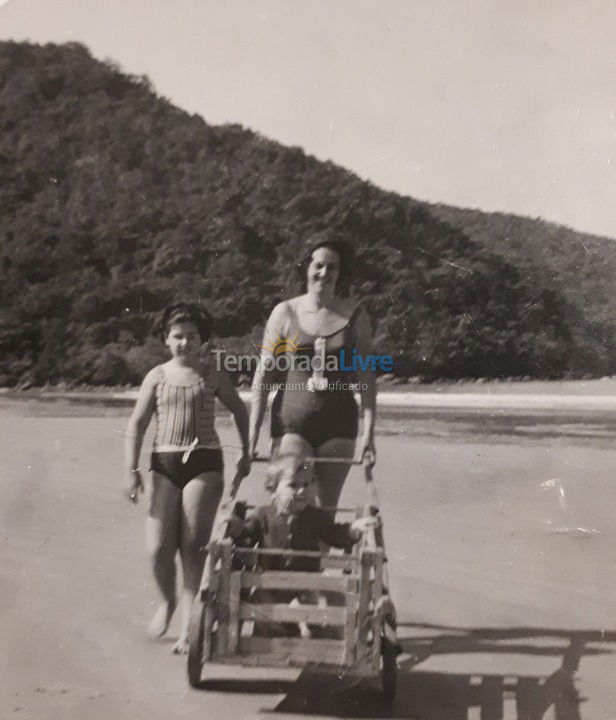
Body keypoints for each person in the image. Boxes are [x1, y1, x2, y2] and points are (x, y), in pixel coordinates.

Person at [124, 302, 251, 655]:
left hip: (205, 463)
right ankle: (168, 603)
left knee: (193, 548)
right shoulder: (157, 376)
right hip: (164, 465)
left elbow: (241, 411)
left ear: (202, 339)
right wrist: (131, 470)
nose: (184, 343)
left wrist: (246, 451)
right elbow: (137, 423)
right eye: (177, 336)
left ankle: (187, 631)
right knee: (157, 549)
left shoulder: (213, 375)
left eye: (191, 336)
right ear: (167, 339)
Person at [249, 237, 376, 514]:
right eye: (318, 265)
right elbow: (263, 379)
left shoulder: (356, 315)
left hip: (339, 427)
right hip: (291, 424)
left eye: (332, 267)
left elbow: (367, 380)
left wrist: (369, 434)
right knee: (286, 503)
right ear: (306, 268)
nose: (324, 273)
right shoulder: (285, 313)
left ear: (340, 272)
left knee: (324, 511)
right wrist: (251, 436)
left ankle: (314, 560)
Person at [226, 453, 378, 637]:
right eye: (293, 485)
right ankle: (281, 628)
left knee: (318, 604)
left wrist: (353, 530)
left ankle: (303, 626)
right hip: (271, 586)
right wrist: (237, 530)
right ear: (273, 489)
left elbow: (335, 534)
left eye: (308, 484)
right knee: (259, 603)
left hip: (306, 585)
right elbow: (247, 538)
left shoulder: (315, 516)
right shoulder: (263, 515)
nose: (302, 491)